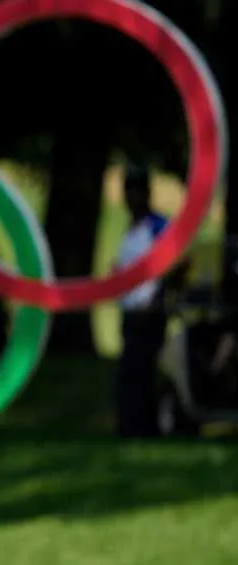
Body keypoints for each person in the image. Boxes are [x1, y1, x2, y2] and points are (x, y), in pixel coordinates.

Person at [112, 165, 187, 437]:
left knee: (140, 370)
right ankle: (132, 424)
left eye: (135, 191)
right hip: (130, 310)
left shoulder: (157, 226)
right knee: (130, 371)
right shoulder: (130, 230)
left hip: (150, 310)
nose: (130, 197)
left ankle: (143, 427)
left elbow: (178, 262)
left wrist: (159, 295)